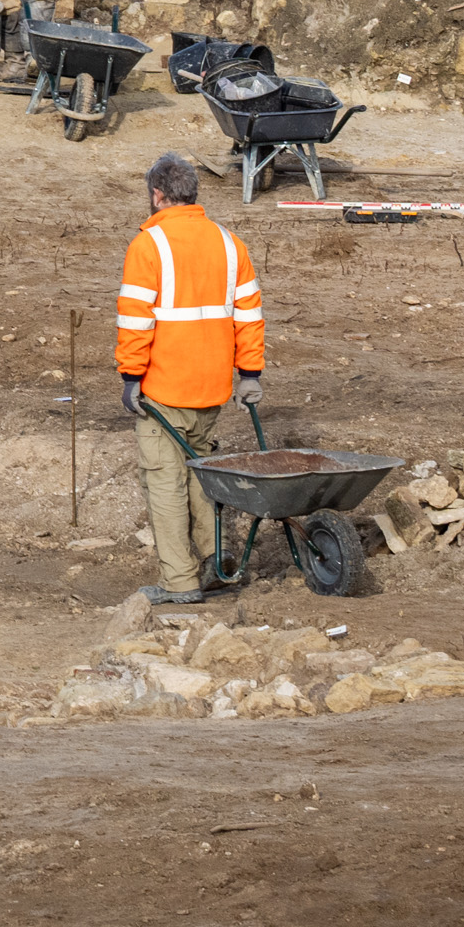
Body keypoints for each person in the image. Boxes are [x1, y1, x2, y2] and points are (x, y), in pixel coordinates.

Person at [118, 153, 265, 605]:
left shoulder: (149, 245)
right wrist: (250, 373)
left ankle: (179, 582)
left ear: (157, 195)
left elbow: (136, 321)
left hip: (164, 389)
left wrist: (130, 376)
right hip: (212, 387)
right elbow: (249, 315)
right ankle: (216, 562)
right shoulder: (228, 242)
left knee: (164, 480)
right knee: (201, 475)